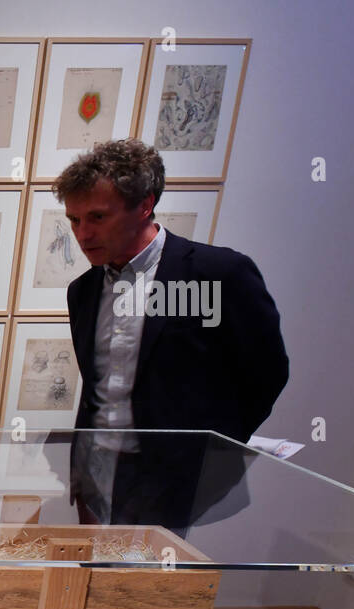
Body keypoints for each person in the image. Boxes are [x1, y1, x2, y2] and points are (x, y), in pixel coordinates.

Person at [52, 139, 288, 530]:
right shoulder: (83, 290)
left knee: (154, 587)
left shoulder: (219, 274)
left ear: (144, 205)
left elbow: (267, 373)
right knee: (94, 580)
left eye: (97, 217)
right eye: (74, 220)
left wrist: (206, 451)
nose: (83, 233)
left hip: (169, 479)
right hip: (96, 474)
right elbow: (100, 385)